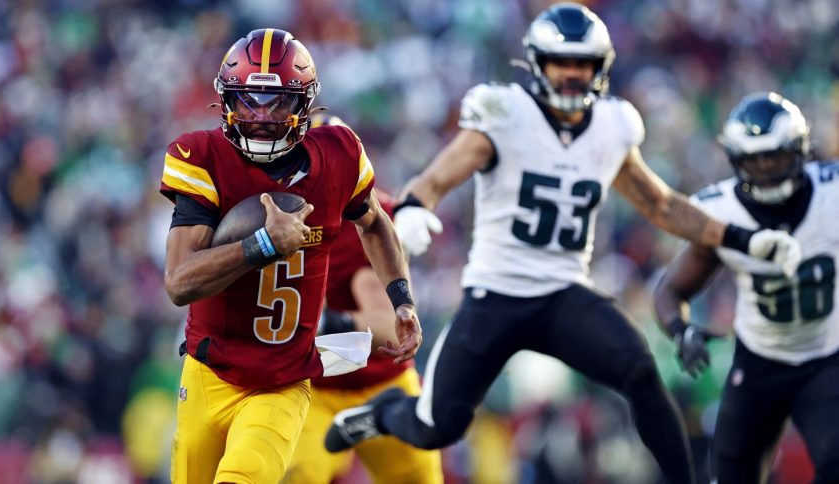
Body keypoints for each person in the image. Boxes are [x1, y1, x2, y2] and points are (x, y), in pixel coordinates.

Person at [323, 5, 801, 484]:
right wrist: (413, 210)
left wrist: (744, 239)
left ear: (601, 68)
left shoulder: (613, 126)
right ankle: (381, 414)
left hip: (563, 293)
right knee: (437, 426)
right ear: (537, 64)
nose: (572, 76)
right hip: (496, 295)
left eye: (583, 65)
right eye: (561, 63)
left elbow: (662, 205)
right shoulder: (505, 114)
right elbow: (437, 177)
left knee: (640, 371)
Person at [160, 29, 422, 484]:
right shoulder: (201, 157)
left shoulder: (339, 154)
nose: (261, 117)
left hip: (282, 380)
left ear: (304, 105)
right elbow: (180, 282)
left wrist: (401, 298)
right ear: (226, 101)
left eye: (277, 102)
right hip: (208, 373)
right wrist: (261, 245)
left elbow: (375, 221)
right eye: (248, 101)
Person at [653, 92, 839, 483]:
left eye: (776, 156)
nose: (768, 170)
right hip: (760, 363)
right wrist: (680, 330)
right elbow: (670, 292)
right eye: (755, 160)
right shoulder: (720, 214)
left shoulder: (832, 193)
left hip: (826, 360)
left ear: (801, 151)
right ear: (736, 161)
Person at [283, 114, 443, 484]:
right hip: (312, 388)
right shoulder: (267, 212)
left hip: (380, 385)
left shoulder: (369, 221)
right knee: (296, 475)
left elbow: (391, 327)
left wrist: (322, 324)